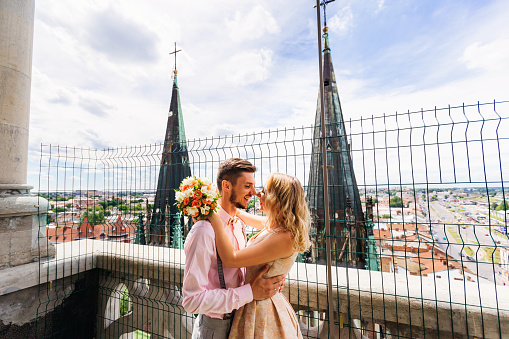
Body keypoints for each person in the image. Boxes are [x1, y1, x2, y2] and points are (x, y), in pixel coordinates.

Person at [182, 158, 285, 339]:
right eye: (247, 186)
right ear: (226, 186)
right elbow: (191, 301)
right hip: (216, 327)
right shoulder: (204, 230)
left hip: (242, 320)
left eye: (253, 186)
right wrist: (249, 292)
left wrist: (271, 278)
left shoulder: (238, 223)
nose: (253, 192)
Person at [207, 172, 311, 338]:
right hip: (257, 301)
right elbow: (243, 216)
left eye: (264, 192)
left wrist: (214, 218)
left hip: (262, 310)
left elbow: (231, 259)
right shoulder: (278, 226)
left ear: (278, 199)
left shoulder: (284, 238)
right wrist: (229, 205)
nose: (257, 194)